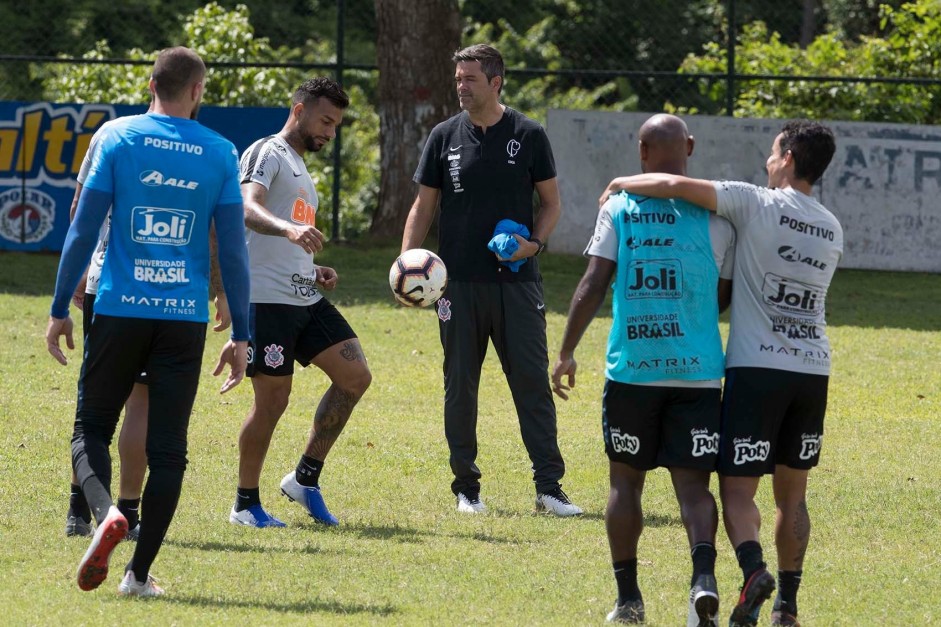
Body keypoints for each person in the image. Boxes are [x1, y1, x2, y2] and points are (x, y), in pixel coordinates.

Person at [600, 120, 841, 627]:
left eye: (774, 154)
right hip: (813, 369)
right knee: (793, 496)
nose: (768, 162)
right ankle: (788, 609)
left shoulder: (755, 201)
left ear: (791, 158)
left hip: (757, 368)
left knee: (736, 489)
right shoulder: (831, 227)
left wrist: (623, 183)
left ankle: (753, 570)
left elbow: (670, 186)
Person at [45, 46, 251, 597]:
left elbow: (81, 231)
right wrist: (242, 333)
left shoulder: (117, 137)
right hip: (182, 317)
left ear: (151, 84)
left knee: (90, 428)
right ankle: (137, 575)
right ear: (196, 91)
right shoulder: (221, 151)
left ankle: (102, 511)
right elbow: (232, 252)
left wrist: (59, 306)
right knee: (169, 451)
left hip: (115, 307)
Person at [552, 114, 734, 625]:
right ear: (690, 147)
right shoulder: (718, 216)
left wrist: (566, 351)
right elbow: (722, 297)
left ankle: (628, 599)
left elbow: (593, 282)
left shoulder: (620, 206)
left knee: (624, 485)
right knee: (695, 488)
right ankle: (702, 581)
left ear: (642, 152)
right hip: (698, 374)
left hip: (633, 372)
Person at [402, 43, 581, 516]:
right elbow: (424, 205)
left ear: (496, 82)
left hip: (518, 285)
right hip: (456, 285)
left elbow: (552, 203)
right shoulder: (443, 136)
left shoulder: (529, 133)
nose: (461, 86)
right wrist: (405, 261)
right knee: (460, 384)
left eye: (470, 79)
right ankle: (467, 489)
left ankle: (549, 488)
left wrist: (534, 245)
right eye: (458, 78)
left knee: (530, 384)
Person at [229, 77, 371, 529]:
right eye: (326, 120)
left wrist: (312, 269)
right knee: (272, 402)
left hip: (303, 295)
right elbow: (246, 207)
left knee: (355, 377)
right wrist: (290, 230)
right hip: (267, 300)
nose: (330, 132)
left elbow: (281, 239)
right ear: (299, 109)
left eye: (336, 125)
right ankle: (245, 504)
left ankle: (304, 479)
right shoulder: (267, 152)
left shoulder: (299, 165)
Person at [63, 117, 148, 542]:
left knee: (93, 409)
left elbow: (81, 210)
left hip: (106, 287)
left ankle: (80, 512)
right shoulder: (200, 144)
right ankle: (126, 514)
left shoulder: (110, 134)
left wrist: (78, 269)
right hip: (165, 297)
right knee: (138, 402)